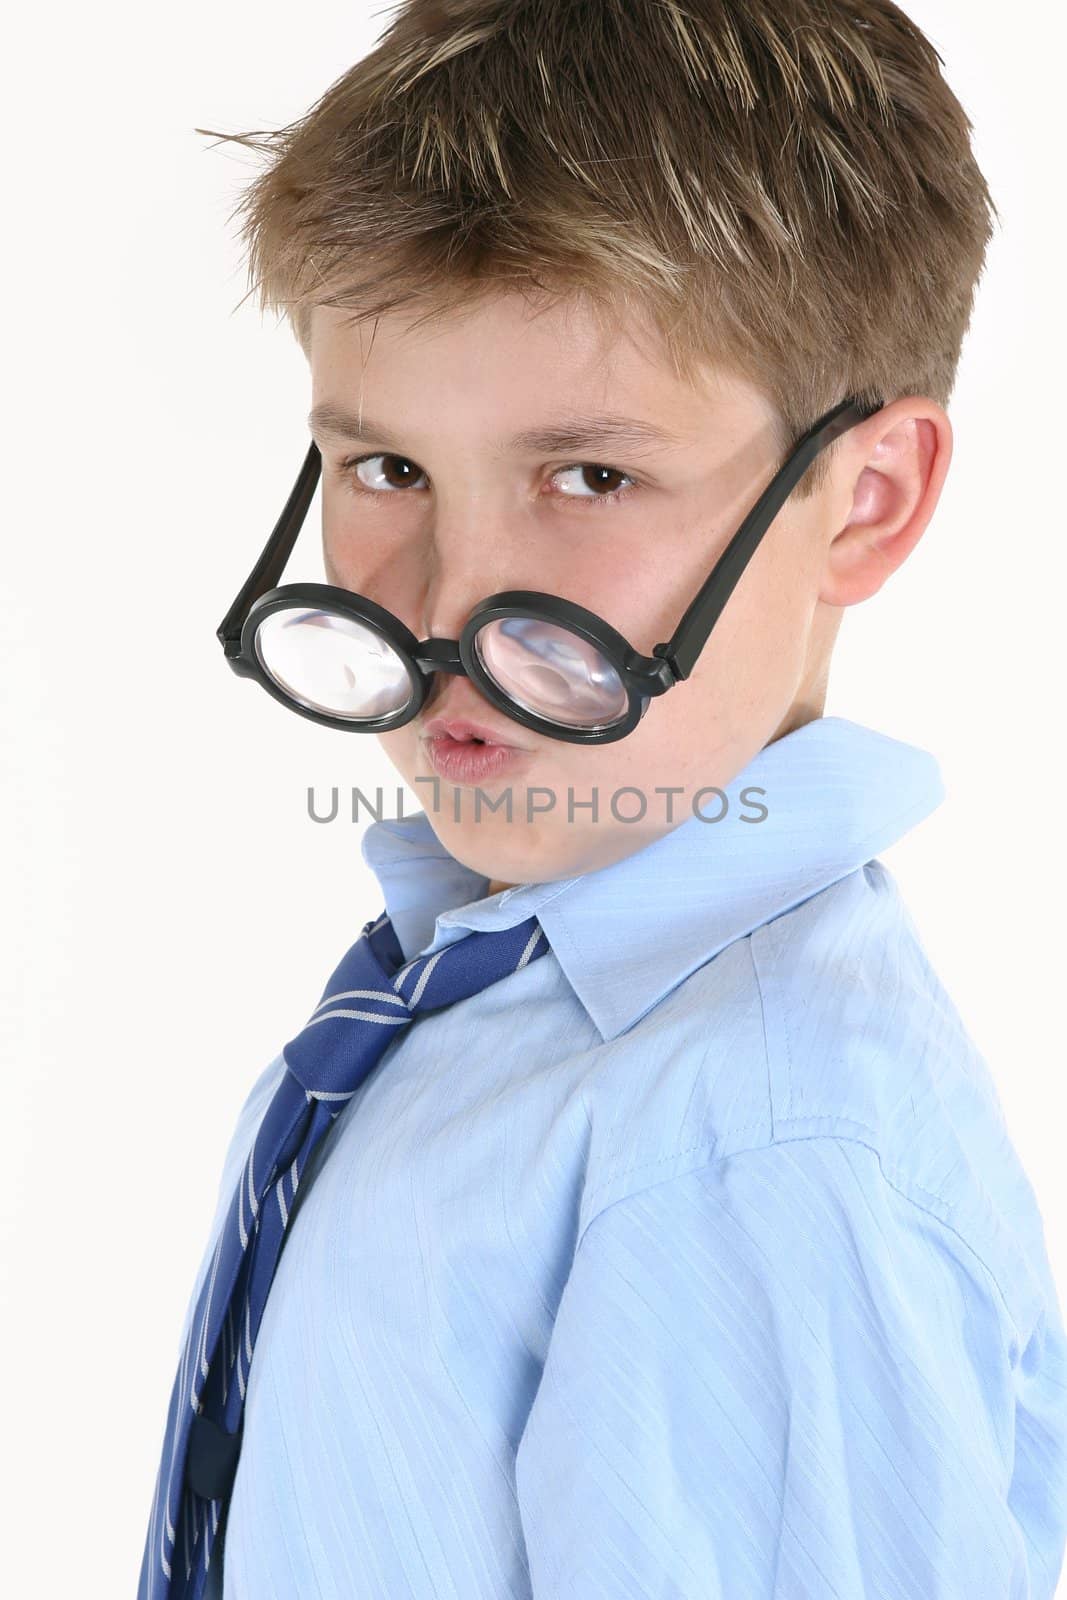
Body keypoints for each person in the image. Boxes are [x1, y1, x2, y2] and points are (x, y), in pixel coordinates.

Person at [141, 1, 1067, 1595]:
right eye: (389, 472)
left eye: (591, 478)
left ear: (867, 501)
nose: (442, 610)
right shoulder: (494, 983)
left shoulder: (757, 1142)